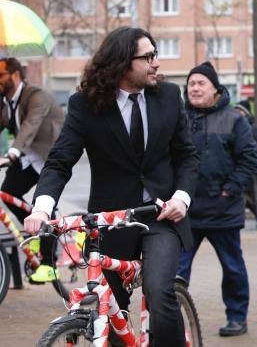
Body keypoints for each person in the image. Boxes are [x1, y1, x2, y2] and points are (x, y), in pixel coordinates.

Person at [25, 27, 199, 346]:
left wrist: (181, 198)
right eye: (147, 57)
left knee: (159, 293)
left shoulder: (169, 97)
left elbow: (187, 156)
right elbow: (60, 160)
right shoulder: (86, 105)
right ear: (121, 63)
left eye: (155, 54)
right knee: (111, 310)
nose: (156, 63)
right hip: (112, 220)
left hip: (160, 216)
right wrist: (41, 208)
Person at [178, 61, 257, 337]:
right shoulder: (179, 119)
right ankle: (172, 319)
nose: (195, 88)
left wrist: (229, 190)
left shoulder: (234, 119)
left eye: (201, 83)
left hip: (223, 210)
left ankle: (237, 317)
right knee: (177, 270)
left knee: (232, 267)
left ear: (215, 89)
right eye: (191, 83)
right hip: (186, 211)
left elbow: (249, 160)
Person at [0, 57, 64, 281]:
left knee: (45, 203)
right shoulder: (4, 100)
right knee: (8, 193)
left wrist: (12, 153)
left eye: (1, 75)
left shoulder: (37, 95)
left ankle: (49, 263)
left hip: (51, 156)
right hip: (28, 157)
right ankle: (36, 230)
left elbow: (30, 125)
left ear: (15, 75)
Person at [234, 100, 257, 230]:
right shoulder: (235, 126)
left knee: (251, 193)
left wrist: (247, 154)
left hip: (249, 166)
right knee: (246, 193)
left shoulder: (254, 127)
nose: (237, 113)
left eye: (240, 111)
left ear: (246, 112)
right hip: (237, 166)